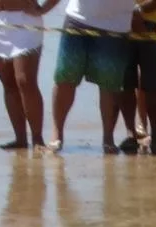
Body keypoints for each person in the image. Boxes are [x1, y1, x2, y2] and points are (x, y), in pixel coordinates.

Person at [0, 0, 60, 149]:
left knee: (25, 81)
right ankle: (20, 139)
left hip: (25, 20)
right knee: (8, 82)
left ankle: (37, 140)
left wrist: (43, 9)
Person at [49, 0, 136, 152]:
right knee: (65, 77)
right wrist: (43, 8)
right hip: (77, 19)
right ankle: (57, 134)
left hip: (116, 25)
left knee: (110, 84)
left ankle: (108, 138)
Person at [120, 0, 156, 153]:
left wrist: (137, 10)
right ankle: (131, 133)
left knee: (155, 87)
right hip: (122, 28)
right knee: (125, 84)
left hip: (151, 32)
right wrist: (130, 13)